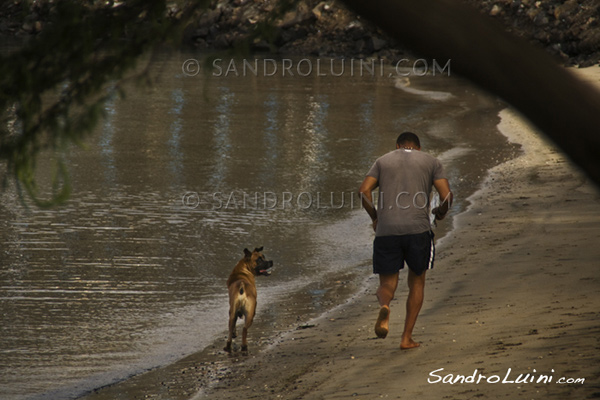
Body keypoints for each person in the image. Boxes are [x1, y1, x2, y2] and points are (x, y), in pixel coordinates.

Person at [359, 132, 453, 350]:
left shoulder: (383, 161)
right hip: (418, 231)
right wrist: (440, 212)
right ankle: (406, 338)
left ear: (397, 146)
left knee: (387, 284)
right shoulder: (431, 161)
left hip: (387, 231)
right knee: (417, 282)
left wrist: (375, 217)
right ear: (418, 148)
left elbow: (363, 191)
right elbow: (447, 196)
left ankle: (385, 306)